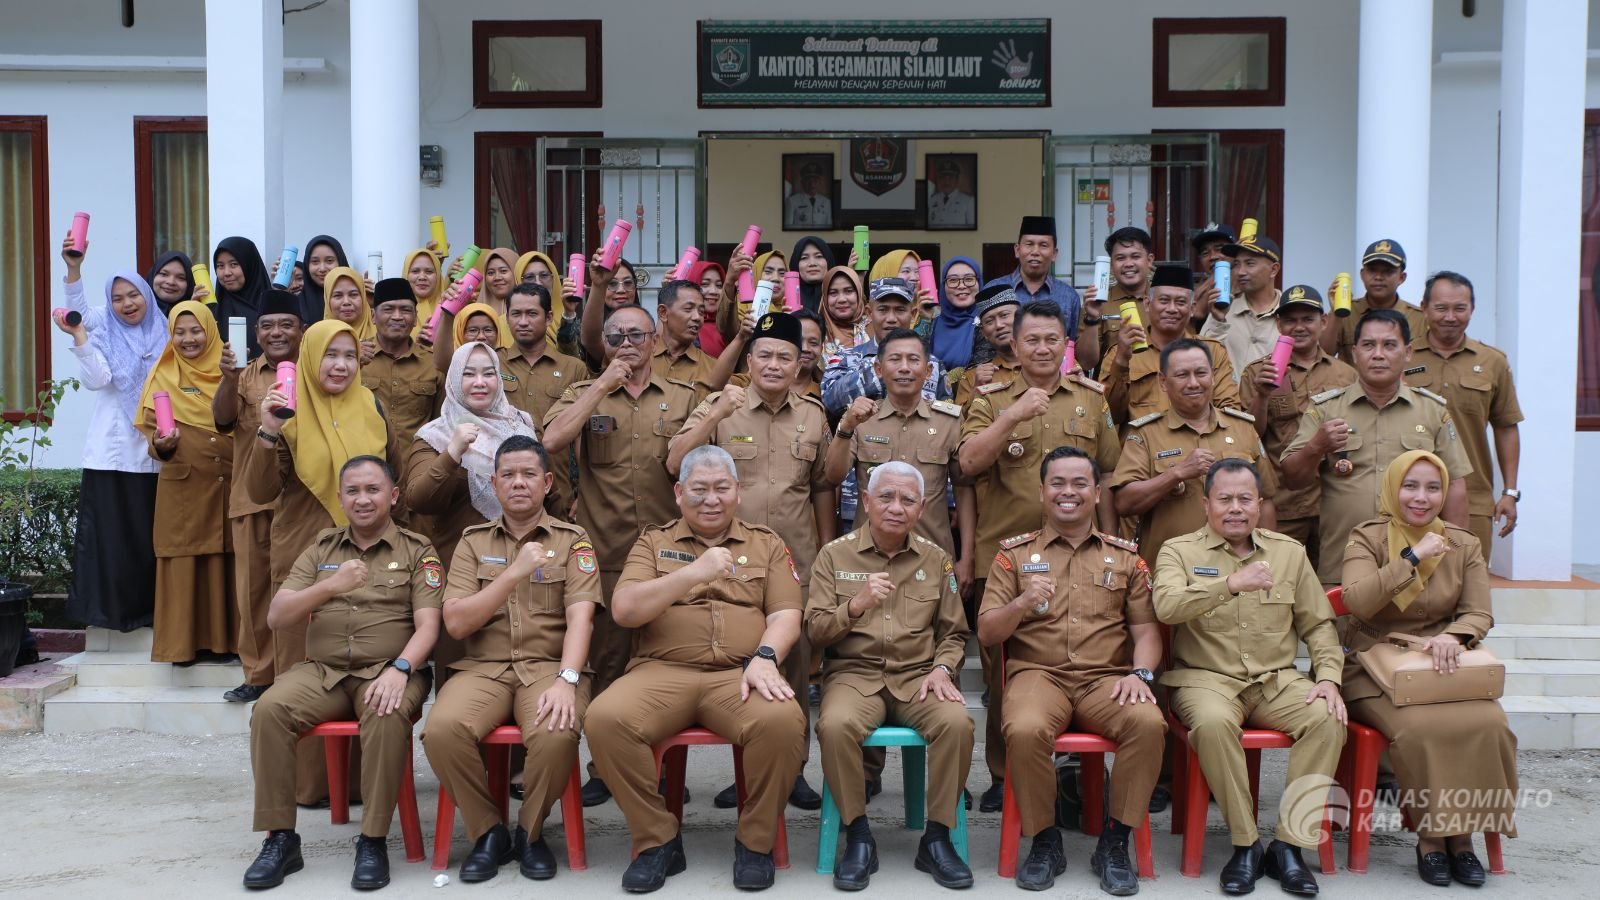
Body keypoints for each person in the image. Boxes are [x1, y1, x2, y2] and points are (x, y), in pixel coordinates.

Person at [584, 445, 807, 893]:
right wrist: (694, 573)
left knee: (783, 720)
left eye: (722, 488)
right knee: (604, 719)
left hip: (739, 674)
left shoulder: (766, 543)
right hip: (661, 671)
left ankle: (754, 841)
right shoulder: (654, 541)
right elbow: (625, 609)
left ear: (737, 492)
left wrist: (765, 658)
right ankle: (658, 838)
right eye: (700, 490)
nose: (712, 499)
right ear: (679, 492)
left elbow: (787, 615)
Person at [241, 456, 441, 892]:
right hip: (324, 672)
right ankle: (280, 839)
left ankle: (371, 840)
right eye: (353, 491)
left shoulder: (417, 550)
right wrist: (330, 585)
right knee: (270, 710)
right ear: (340, 498)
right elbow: (277, 616)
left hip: (389, 671)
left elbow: (430, 626)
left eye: (372, 490)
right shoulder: (321, 549)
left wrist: (401, 669)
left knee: (385, 715)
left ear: (393, 495)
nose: (362, 499)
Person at [1153, 459, 1346, 898]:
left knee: (1327, 718)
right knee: (1215, 724)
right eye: (1224, 499)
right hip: (1206, 681)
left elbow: (1318, 625)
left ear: (1259, 505)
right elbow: (1166, 606)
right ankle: (1246, 844)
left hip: (1276, 682)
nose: (1235, 508)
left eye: (1245, 499)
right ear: (1206, 505)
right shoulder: (1178, 551)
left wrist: (1329, 678)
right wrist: (1231, 584)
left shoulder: (1288, 553)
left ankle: (1290, 845)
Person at [978, 447, 1164, 895]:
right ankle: (1045, 840)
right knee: (1023, 728)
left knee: (1148, 723)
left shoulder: (1125, 559)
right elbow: (986, 632)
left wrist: (1140, 675)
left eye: (1080, 483)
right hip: (1039, 676)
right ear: (1041, 492)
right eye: (1057, 483)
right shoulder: (1012, 557)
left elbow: (1146, 632)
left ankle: (1115, 843)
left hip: (1107, 680)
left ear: (1097, 492)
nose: (1068, 492)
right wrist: (1021, 602)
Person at [668, 311, 833, 811]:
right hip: (730, 561)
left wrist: (824, 555)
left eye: (786, 355)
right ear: (749, 358)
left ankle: (794, 769)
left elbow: (822, 487)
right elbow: (675, 461)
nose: (775, 364)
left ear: (798, 360)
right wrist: (716, 414)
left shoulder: (813, 414)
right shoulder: (722, 405)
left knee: (797, 666)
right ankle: (744, 766)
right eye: (765, 354)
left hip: (795, 558)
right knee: (740, 660)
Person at [961, 299, 1122, 807]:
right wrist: (1012, 414)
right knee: (1001, 671)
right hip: (1006, 556)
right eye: (1031, 339)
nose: (1042, 348)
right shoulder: (991, 397)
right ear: (1014, 342)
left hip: (1081, 555)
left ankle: (1074, 775)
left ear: (1066, 343)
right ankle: (1004, 776)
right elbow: (967, 464)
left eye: (1052, 338)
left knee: (1082, 660)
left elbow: (1110, 477)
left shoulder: (1091, 399)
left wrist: (1117, 546)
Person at [422, 435, 599, 884]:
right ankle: (488, 832)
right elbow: (457, 624)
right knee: (442, 731)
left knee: (556, 732)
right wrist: (514, 572)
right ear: (494, 484)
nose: (518, 483)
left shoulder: (572, 541)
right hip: (484, 669)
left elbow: (582, 620)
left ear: (547, 481)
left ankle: (530, 832)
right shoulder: (472, 542)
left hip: (548, 668)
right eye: (508, 476)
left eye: (528, 475)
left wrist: (568, 679)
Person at [542, 304, 699, 806]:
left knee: (670, 662)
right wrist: (599, 387)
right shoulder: (584, 392)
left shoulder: (685, 396)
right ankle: (605, 767)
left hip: (669, 557)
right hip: (605, 550)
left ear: (655, 339)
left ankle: (668, 769)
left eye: (637, 334)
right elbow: (552, 439)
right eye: (615, 336)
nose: (627, 343)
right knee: (608, 663)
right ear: (603, 343)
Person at [1339, 451, 1517, 888]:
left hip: (1439, 665)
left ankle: (1465, 837)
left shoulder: (1464, 543)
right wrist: (1413, 556)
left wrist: (1453, 638)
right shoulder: (1367, 538)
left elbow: (1479, 613)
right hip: (1371, 667)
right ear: (1393, 488)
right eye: (1411, 486)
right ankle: (1432, 840)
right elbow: (1357, 601)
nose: (1421, 497)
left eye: (1433, 487)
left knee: (1490, 721)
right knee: (1419, 728)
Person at [243, 319, 402, 806]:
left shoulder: (372, 405)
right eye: (329, 355)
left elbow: (392, 475)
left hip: (369, 554)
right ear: (309, 357)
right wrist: (269, 431)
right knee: (304, 665)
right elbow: (259, 491)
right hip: (304, 555)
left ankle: (359, 785)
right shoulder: (285, 406)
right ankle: (308, 787)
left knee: (364, 660)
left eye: (349, 355)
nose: (340, 365)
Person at [808, 462, 975, 890]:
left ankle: (936, 839)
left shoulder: (936, 560)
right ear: (865, 501)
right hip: (854, 675)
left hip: (919, 677)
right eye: (885, 496)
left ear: (921, 508)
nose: (895, 507)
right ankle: (859, 835)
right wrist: (856, 605)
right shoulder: (834, 555)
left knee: (957, 723)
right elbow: (815, 631)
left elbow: (954, 633)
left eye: (907, 500)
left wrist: (943, 668)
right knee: (837, 725)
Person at [1280, 308, 1474, 584]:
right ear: (1355, 352)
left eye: (1389, 345)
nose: (1379, 354)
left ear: (1407, 353)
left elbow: (1454, 484)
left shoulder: (1432, 411)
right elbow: (1292, 479)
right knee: (1342, 628)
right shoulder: (1326, 409)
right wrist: (1316, 446)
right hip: (1343, 564)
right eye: (1369, 345)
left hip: (1418, 567)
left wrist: (1453, 559)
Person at [56, 244, 167, 634]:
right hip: (112, 452)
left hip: (159, 451)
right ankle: (116, 617)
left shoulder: (167, 331)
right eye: (117, 298)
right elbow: (98, 379)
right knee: (115, 542)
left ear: (147, 295)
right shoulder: (103, 330)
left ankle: (156, 612)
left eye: (134, 294)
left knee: (151, 539)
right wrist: (74, 271)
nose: (127, 304)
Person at [1111, 339, 1278, 565]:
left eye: (1201, 373)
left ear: (1213, 377)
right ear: (1163, 382)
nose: (1193, 383)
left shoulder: (1243, 428)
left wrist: (1270, 560)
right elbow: (1123, 503)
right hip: (1172, 572)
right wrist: (1175, 474)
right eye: (1182, 375)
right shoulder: (1145, 434)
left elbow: (1265, 500)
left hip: (1240, 569)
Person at [214, 289, 303, 701]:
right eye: (268, 325)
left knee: (299, 588)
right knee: (252, 591)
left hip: (302, 502)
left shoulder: (316, 373)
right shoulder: (244, 376)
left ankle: (297, 672)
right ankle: (258, 673)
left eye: (286, 323)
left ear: (301, 329)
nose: (277, 332)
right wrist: (228, 379)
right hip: (252, 500)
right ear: (256, 332)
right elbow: (222, 419)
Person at [135, 300, 236, 664]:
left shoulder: (231, 372)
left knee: (227, 557)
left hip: (227, 481)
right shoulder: (162, 375)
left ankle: (228, 644)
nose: (189, 339)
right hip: (183, 483)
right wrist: (161, 446)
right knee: (185, 556)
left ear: (211, 332)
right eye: (180, 332)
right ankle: (183, 647)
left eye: (196, 331)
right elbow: (151, 434)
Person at [1403, 272, 1523, 556]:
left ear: (1472, 309)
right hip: (1408, 495)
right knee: (1407, 581)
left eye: (1460, 308)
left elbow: (1506, 427)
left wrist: (1510, 492)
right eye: (1441, 308)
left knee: (1470, 584)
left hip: (1474, 496)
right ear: (1424, 307)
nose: (1450, 317)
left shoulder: (1492, 361)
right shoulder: (1404, 356)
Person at [1237, 286, 1357, 566]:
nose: (1299, 327)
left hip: (1334, 501)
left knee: (1333, 584)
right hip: (1281, 504)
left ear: (1323, 322)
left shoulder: (1347, 375)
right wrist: (1262, 395)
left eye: (1308, 319)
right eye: (1290, 320)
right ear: (1278, 324)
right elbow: (1249, 438)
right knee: (1278, 580)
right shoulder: (1257, 373)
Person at [826, 328, 971, 558]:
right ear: (879, 370)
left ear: (928, 370)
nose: (904, 367)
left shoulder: (949, 421)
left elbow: (964, 489)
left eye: (913, 360)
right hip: (868, 556)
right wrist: (846, 427)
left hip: (932, 556)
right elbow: (833, 476)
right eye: (895, 359)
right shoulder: (861, 418)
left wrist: (968, 557)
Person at [1102, 265, 1240, 425]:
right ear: (1147, 304)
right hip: (1143, 446)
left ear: (1192, 308)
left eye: (1181, 302)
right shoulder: (1121, 352)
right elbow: (1108, 417)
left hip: (1201, 444)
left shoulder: (1213, 351)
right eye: (1164, 300)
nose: (1172, 309)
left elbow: (1230, 411)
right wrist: (1121, 361)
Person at [496, 283, 585, 517]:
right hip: (503, 490)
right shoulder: (493, 363)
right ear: (507, 317)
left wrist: (584, 493)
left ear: (548, 318)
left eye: (532, 314)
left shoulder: (573, 368)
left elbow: (583, 437)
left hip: (559, 490)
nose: (523, 321)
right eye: (516, 314)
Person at [822, 278, 951, 416]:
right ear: (869, 313)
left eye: (900, 310)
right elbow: (830, 401)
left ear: (913, 315)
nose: (891, 318)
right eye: (883, 310)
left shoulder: (931, 363)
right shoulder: (845, 357)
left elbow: (946, 416)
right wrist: (879, 368)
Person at [360, 278, 441, 452]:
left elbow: (440, 423)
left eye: (405, 310)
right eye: (388, 309)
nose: (397, 316)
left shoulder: (433, 363)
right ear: (373, 316)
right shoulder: (356, 360)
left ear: (415, 318)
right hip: (366, 466)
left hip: (416, 468)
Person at [983, 216, 1083, 348]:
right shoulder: (994, 289)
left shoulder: (1069, 296)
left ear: (1054, 253)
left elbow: (1072, 345)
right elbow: (982, 341)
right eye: (1029, 244)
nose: (1035, 252)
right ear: (1017, 250)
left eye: (1043, 245)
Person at [1323, 239, 1428, 363]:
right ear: (1362, 274)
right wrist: (1337, 314)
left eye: (1388, 271)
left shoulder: (1419, 319)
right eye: (1372, 270)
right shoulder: (1345, 313)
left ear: (1401, 277)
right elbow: (1324, 355)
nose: (1378, 277)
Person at [1202, 234, 1284, 372]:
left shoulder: (1289, 312)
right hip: (1228, 394)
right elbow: (1201, 360)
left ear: (1274, 269)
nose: (1240, 272)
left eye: (1250, 264)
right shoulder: (1224, 309)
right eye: (1236, 265)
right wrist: (1218, 321)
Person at [1081, 227, 1156, 370]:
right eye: (1120, 258)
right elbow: (1086, 363)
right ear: (1111, 264)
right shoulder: (1097, 303)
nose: (1128, 264)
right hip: (1113, 387)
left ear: (1149, 260)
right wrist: (1091, 319)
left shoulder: (1163, 302)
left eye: (1135, 256)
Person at [953, 286, 1021, 408]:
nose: (999, 325)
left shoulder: (1044, 364)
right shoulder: (972, 377)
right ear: (984, 333)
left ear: (1021, 319)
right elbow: (959, 424)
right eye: (989, 321)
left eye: (1004, 315)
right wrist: (977, 388)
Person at [212, 236, 272, 359]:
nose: (227, 272)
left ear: (250, 265)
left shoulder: (273, 306)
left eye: (234, 264)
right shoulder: (212, 311)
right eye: (220, 266)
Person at [930, 257, 982, 371]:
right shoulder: (931, 324)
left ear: (979, 282)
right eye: (953, 280)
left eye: (969, 279)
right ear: (943, 286)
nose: (961, 286)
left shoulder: (989, 323)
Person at [290, 235, 351, 327]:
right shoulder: (296, 303)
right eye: (315, 262)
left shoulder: (357, 299)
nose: (322, 268)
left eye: (329, 261)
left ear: (340, 262)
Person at [1188, 223, 1237, 334]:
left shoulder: (1246, 283)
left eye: (1219, 249)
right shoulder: (1197, 288)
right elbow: (1196, 312)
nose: (1213, 257)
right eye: (1205, 253)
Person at [321, 265, 378, 351]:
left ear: (363, 296)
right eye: (338, 295)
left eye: (353, 294)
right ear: (327, 299)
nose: (346, 302)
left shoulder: (382, 336)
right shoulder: (318, 338)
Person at [819, 266, 870, 357]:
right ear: (825, 298)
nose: (841, 299)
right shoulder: (817, 331)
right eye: (833, 293)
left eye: (848, 291)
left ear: (858, 293)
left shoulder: (875, 327)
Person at [403, 248, 444, 344]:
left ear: (438, 275)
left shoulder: (451, 309)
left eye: (429, 272)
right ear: (406, 275)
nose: (422, 277)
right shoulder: (395, 313)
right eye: (415, 271)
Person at [790, 236, 836, 315]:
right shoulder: (785, 299)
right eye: (804, 258)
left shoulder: (842, 296)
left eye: (819, 256)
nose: (812, 263)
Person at [145, 250, 199, 316]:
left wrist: (193, 311)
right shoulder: (135, 312)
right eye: (164, 274)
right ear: (153, 276)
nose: (171, 282)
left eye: (180, 278)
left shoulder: (200, 315)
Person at [927, 159, 976, 229]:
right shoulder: (931, 200)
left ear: (957, 180)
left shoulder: (968, 201)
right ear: (939, 180)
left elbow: (972, 231)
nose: (947, 181)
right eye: (943, 177)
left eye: (951, 177)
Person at [785, 161, 833, 229]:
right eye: (808, 180)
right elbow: (788, 226)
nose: (812, 184)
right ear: (802, 183)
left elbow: (829, 226)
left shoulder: (827, 202)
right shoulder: (791, 201)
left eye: (815, 181)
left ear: (819, 183)